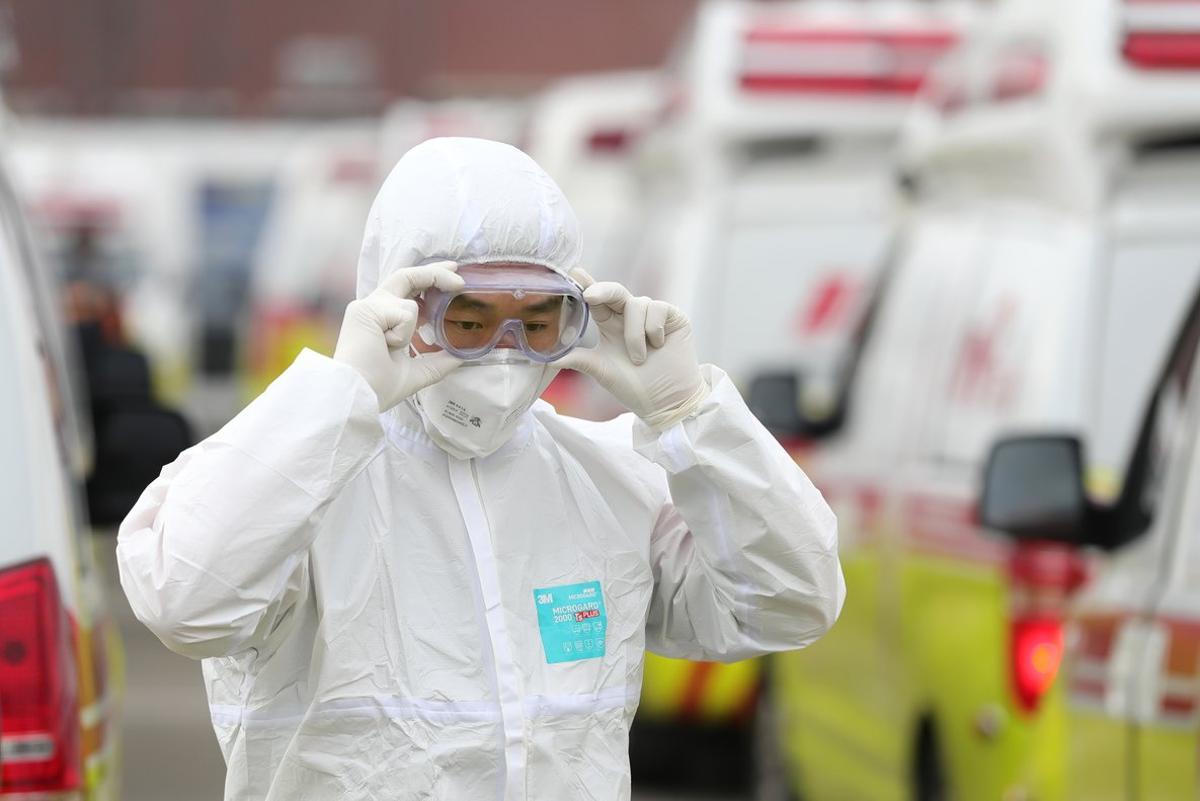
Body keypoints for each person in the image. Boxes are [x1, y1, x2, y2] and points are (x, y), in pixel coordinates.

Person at [116, 137, 845, 801]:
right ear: (399, 302)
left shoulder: (609, 478)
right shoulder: (298, 477)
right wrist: (341, 396)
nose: (502, 352)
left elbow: (794, 599)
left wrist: (691, 414)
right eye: (468, 319)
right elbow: (186, 599)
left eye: (534, 323)